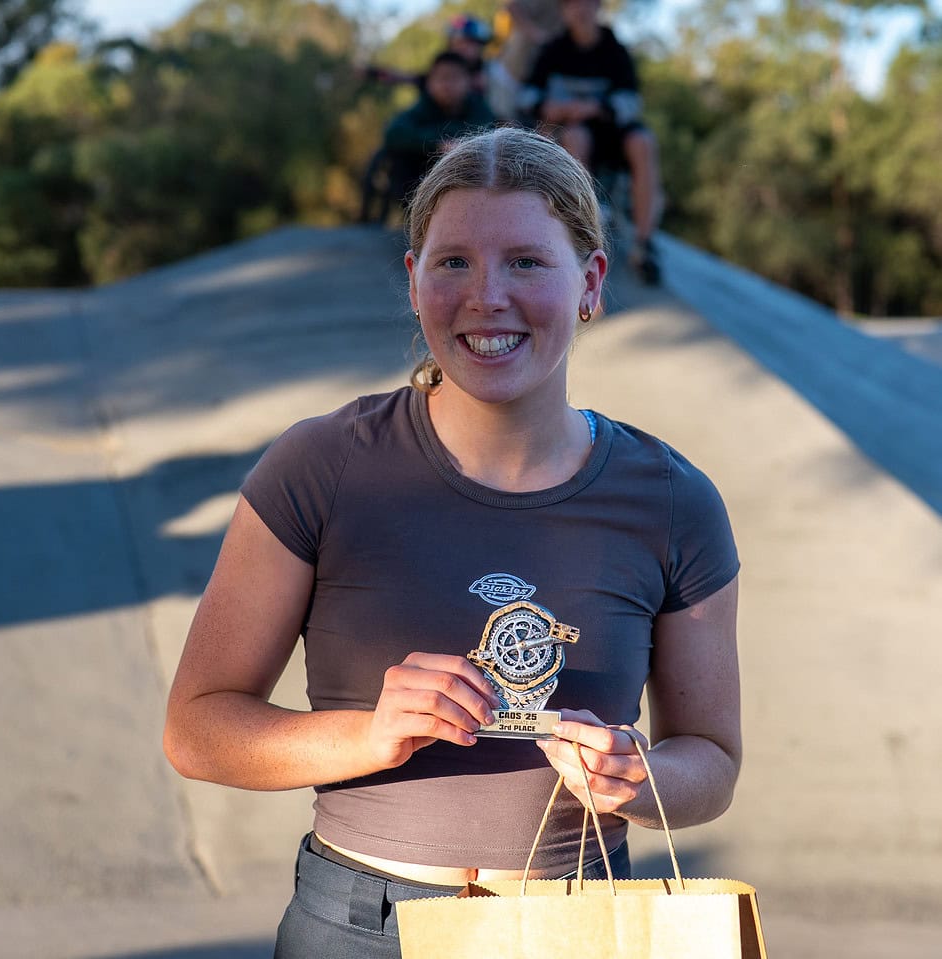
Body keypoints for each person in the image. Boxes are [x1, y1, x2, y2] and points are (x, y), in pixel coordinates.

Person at [164, 126, 742, 959]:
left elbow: (712, 760)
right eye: (453, 262)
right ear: (412, 282)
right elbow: (197, 728)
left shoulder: (674, 499)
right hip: (360, 927)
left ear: (591, 282)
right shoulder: (320, 466)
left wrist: (639, 778)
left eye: (526, 262)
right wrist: (370, 733)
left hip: (580, 924)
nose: (486, 295)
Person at [522, 0, 665, 283]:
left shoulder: (615, 49)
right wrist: (547, 106)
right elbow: (526, 95)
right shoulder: (553, 50)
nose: (580, 9)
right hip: (570, 132)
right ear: (564, 11)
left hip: (611, 131)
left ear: (598, 7)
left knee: (643, 142)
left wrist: (596, 107)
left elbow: (632, 100)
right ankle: (585, 234)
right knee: (576, 138)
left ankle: (645, 242)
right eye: (573, 4)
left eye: (587, 3)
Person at [380, 50, 496, 209]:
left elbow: (485, 131)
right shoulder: (423, 107)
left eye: (454, 78)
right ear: (429, 83)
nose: (447, 85)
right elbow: (394, 133)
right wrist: (437, 143)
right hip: (422, 174)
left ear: (468, 81)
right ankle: (416, 210)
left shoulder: (478, 107)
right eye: (441, 78)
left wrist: (451, 142)